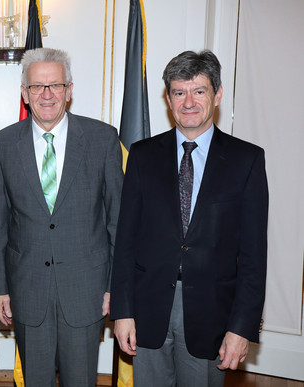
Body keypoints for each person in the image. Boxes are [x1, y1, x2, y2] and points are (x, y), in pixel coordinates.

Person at [110, 50, 269, 386]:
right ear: (168, 99)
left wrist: (241, 327)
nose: (189, 102)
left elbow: (254, 256)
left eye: (199, 91)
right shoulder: (142, 155)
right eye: (179, 92)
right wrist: (122, 312)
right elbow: (125, 241)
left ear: (218, 94)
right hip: (148, 311)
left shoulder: (247, 160)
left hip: (212, 313)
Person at [0, 48, 123, 386]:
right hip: (27, 289)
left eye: (55, 85)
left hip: (86, 288)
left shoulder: (102, 139)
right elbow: (0, 225)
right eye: (37, 86)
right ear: (24, 93)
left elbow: (116, 221)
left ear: (69, 89)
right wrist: (0, 287)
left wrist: (114, 286)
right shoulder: (3, 144)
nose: (46, 95)